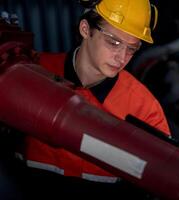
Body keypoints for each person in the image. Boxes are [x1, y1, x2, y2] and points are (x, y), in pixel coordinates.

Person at [18, 0, 170, 199]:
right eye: (113, 42)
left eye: (132, 48)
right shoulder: (32, 74)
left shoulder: (144, 108)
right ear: (85, 29)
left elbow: (164, 180)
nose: (122, 57)